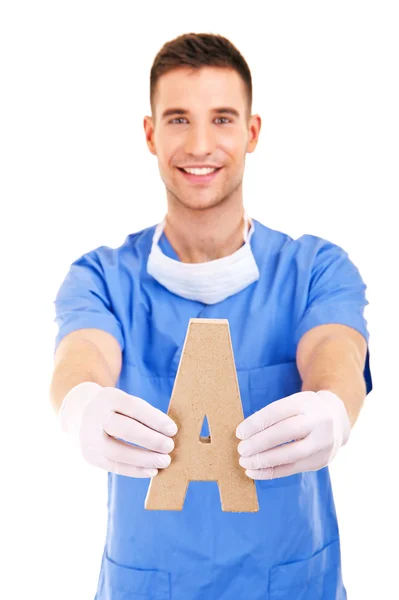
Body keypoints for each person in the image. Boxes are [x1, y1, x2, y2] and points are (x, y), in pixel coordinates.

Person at [50, 32, 372, 600]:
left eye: (222, 119)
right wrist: (79, 404)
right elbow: (83, 355)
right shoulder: (101, 277)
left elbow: (336, 353)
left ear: (252, 133)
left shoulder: (315, 268)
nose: (200, 144)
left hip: (293, 584)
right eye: (178, 119)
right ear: (150, 134)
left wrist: (334, 407)